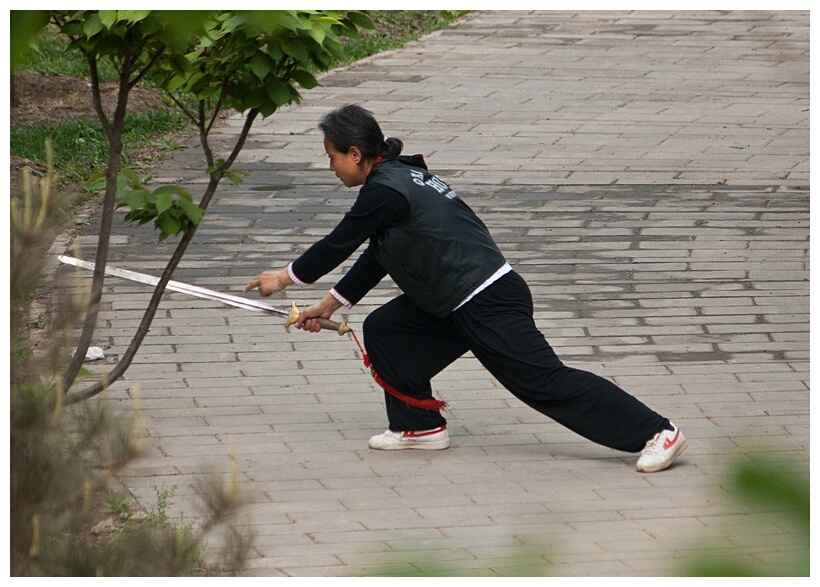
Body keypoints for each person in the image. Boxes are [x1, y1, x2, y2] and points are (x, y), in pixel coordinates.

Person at [245, 104, 687, 473]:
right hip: (453, 302)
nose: (331, 167)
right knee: (386, 328)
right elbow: (378, 255)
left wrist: (282, 278)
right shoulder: (400, 177)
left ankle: (657, 432)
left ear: (356, 154)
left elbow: (337, 244)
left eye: (332, 157)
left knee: (542, 382)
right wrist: (326, 306)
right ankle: (418, 426)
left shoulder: (385, 191)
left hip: (487, 299)